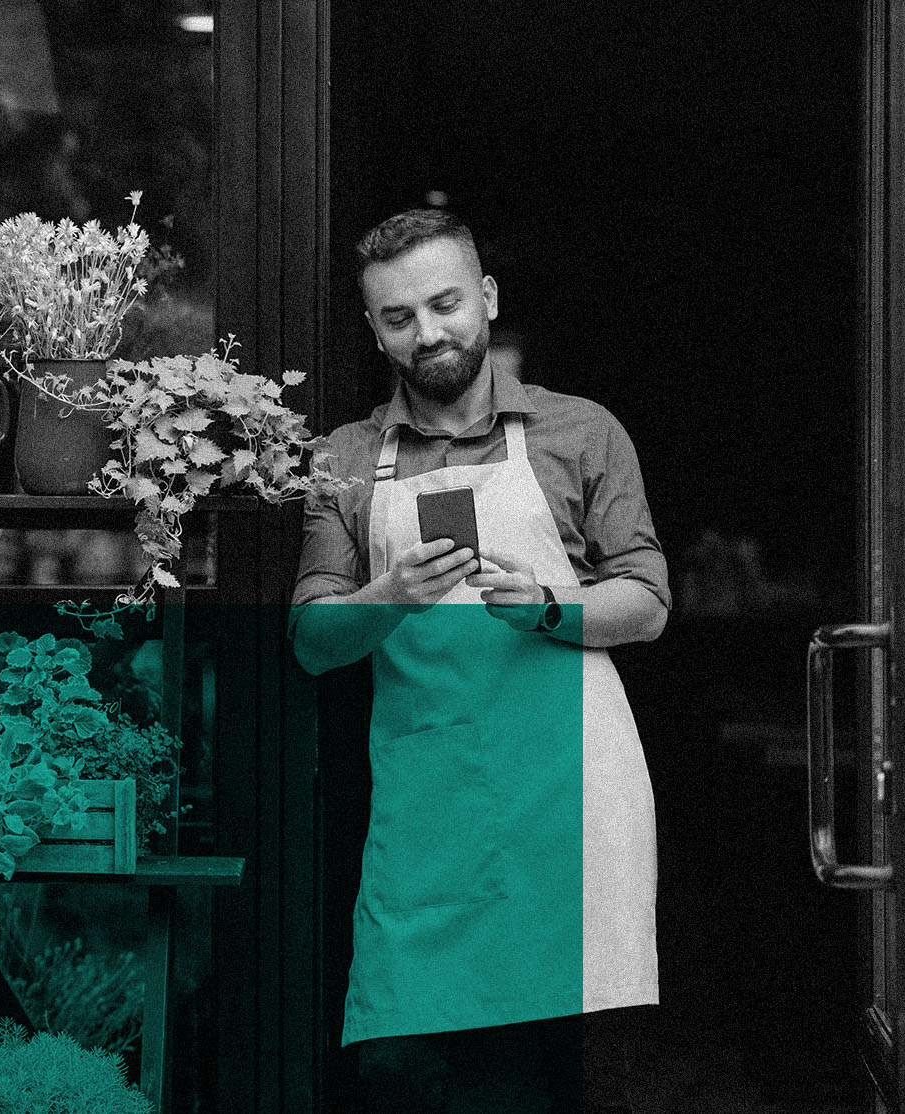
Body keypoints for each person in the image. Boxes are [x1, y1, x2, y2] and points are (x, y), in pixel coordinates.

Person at [290, 208, 669, 1114]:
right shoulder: (344, 459)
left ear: (487, 301)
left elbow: (649, 600)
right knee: (400, 1067)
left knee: (559, 1074)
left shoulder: (581, 431)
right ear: (372, 330)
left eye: (445, 303)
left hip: (566, 802)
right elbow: (309, 640)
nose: (428, 333)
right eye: (398, 317)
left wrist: (548, 608)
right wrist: (391, 596)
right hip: (426, 812)